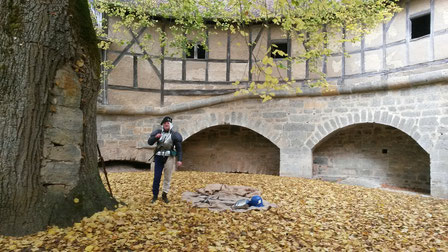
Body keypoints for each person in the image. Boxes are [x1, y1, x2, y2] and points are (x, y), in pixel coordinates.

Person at [147, 116, 183, 203]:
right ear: (162, 125)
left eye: (168, 123)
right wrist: (156, 137)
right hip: (159, 157)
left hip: (169, 157)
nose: (166, 124)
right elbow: (150, 142)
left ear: (170, 125)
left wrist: (179, 159)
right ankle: (155, 195)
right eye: (165, 123)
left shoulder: (174, 135)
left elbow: (179, 149)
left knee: (167, 177)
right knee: (157, 177)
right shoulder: (158, 132)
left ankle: (164, 194)